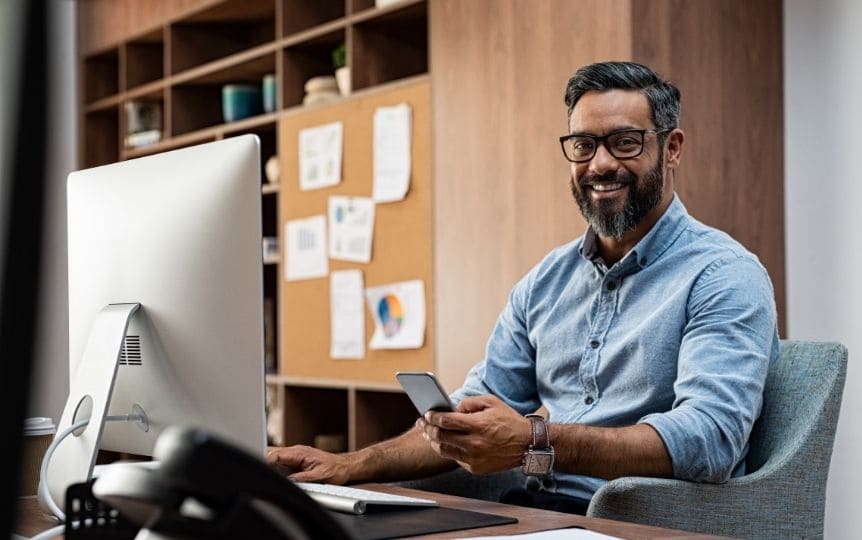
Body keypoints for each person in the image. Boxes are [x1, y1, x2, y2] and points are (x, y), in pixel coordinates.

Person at [267, 60, 779, 515]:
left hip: (634, 521)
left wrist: (536, 439)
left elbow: (709, 441)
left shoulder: (723, 275)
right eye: (584, 145)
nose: (600, 164)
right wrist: (349, 465)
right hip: (533, 513)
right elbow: (473, 409)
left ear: (672, 149)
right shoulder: (545, 282)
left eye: (625, 142)